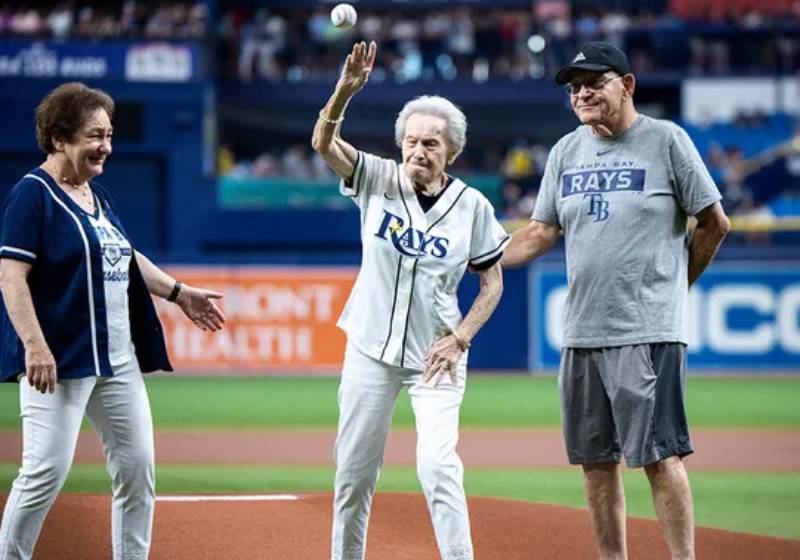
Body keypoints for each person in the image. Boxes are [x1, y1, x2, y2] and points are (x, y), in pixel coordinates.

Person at [501, 42, 730, 560]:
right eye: (573, 85)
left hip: (646, 330)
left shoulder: (665, 140)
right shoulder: (565, 151)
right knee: (595, 462)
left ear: (626, 85)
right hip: (582, 332)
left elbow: (715, 223)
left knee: (660, 458)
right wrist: (484, 256)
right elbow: (540, 232)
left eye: (594, 81)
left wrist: (675, 287)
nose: (581, 92)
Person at [0, 82, 226, 560]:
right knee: (43, 474)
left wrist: (179, 293)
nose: (105, 145)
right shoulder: (33, 194)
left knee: (137, 469)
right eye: (93, 135)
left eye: (108, 134)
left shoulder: (94, 194)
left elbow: (125, 256)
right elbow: (11, 277)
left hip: (116, 359)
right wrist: (35, 347)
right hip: (60, 361)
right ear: (60, 139)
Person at [311, 42, 508, 560]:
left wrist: (461, 338)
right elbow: (323, 143)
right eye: (412, 140)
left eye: (432, 144)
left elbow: (493, 282)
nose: (419, 151)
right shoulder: (377, 178)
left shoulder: (473, 207)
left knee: (439, 467)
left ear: (452, 152)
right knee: (353, 472)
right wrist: (344, 91)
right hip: (370, 349)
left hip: (434, 357)